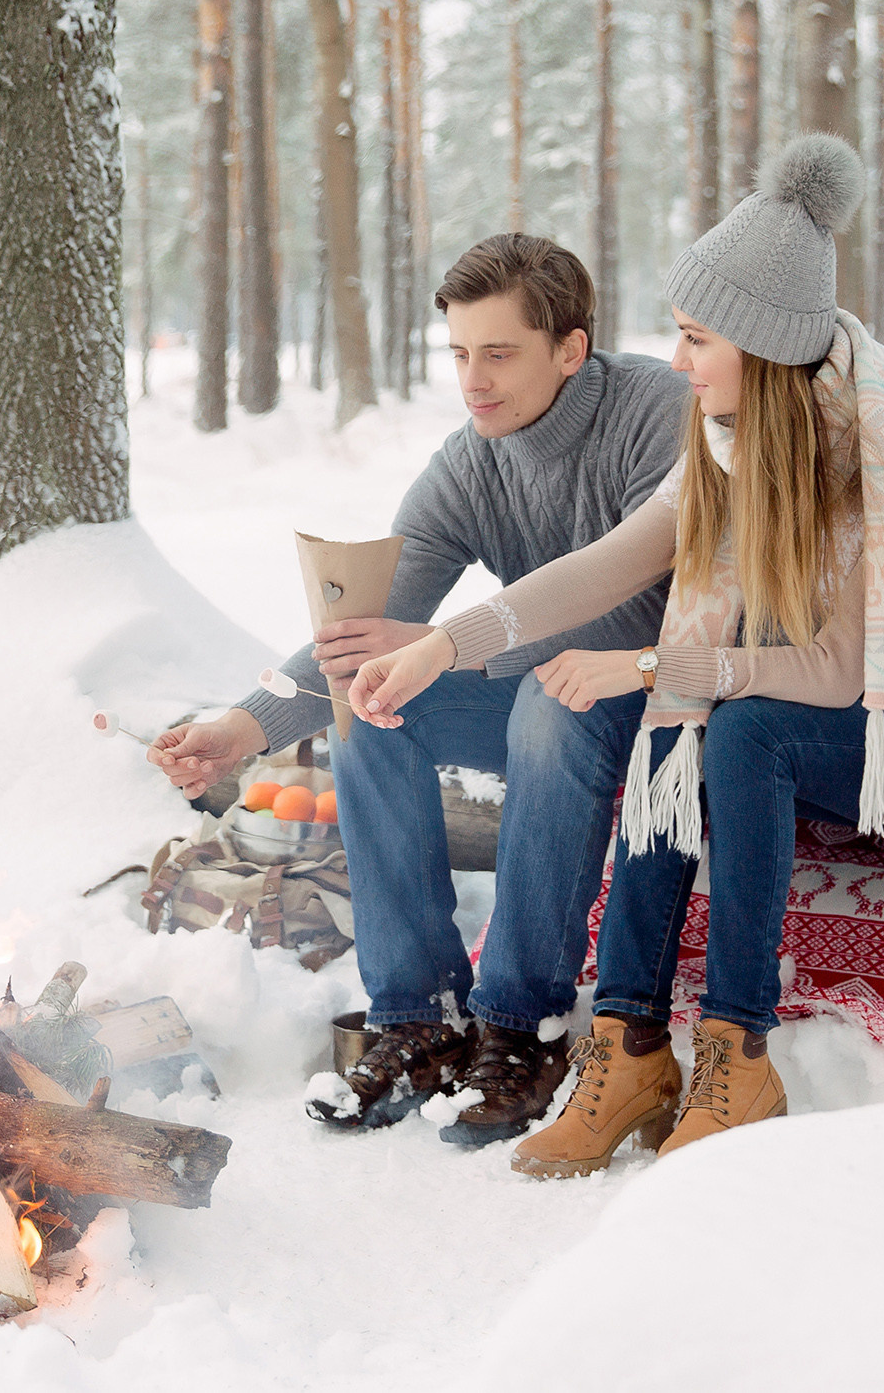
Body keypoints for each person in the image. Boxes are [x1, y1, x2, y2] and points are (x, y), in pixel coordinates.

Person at [348, 135, 884, 1175]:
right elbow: (602, 565)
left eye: (695, 338)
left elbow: (836, 675)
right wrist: (445, 643)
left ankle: (737, 1049)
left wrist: (641, 671)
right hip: (812, 721)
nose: (675, 363)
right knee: (680, 738)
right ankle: (628, 1047)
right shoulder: (724, 445)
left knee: (733, 720)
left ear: (759, 344)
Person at [146, 235, 689, 1142]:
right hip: (541, 691)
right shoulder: (473, 461)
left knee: (553, 700)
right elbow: (367, 628)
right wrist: (245, 727)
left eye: (500, 353)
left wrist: (450, 647)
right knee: (373, 693)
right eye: (460, 354)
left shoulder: (655, 415)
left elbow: (635, 612)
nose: (473, 380)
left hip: (663, 694)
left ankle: (525, 1027)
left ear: (571, 348)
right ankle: (420, 1016)